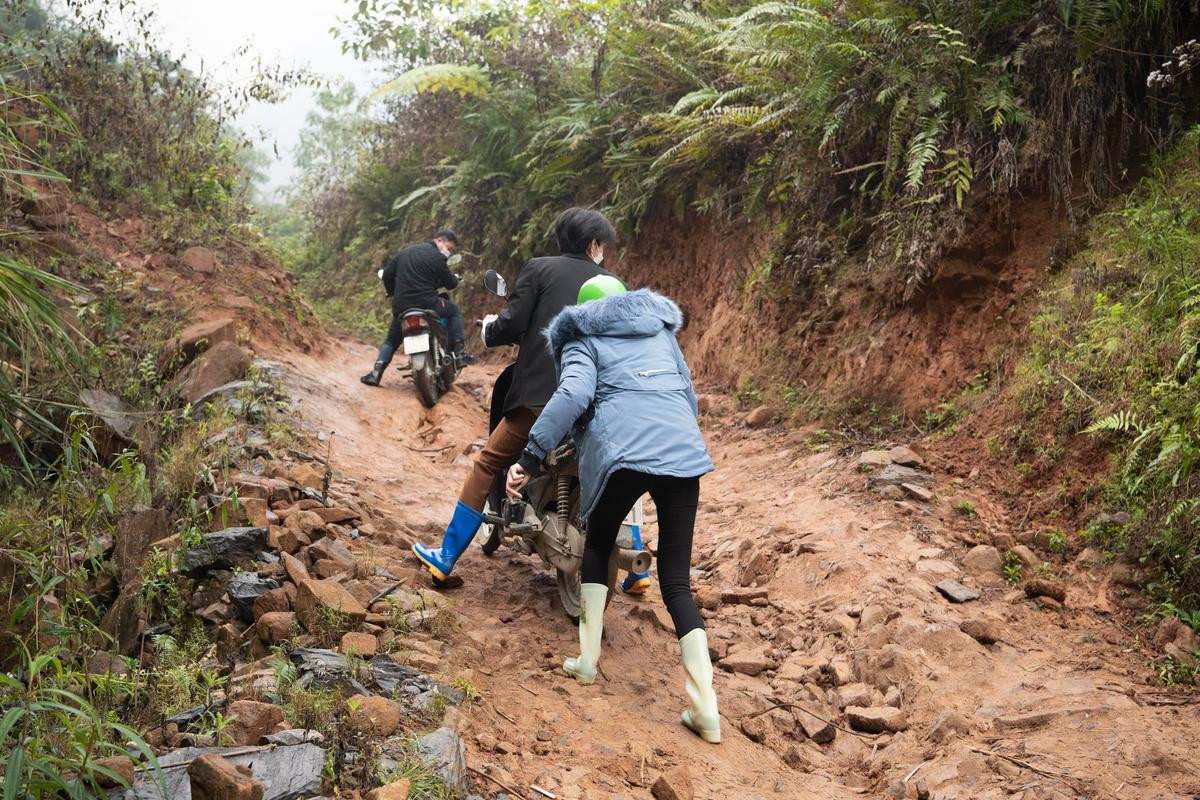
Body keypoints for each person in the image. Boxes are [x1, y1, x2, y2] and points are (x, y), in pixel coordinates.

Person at [505, 276, 720, 744]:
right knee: (678, 583)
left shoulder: (581, 337)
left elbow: (573, 395)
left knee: (599, 544)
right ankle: (706, 709)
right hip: (683, 456)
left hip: (624, 458)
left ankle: (586, 662)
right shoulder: (661, 331)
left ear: (582, 311)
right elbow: (688, 395)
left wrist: (530, 455)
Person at [411, 208, 617, 586]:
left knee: (487, 463)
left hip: (542, 398)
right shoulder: (611, 283)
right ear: (593, 244)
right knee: (619, 474)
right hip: (599, 403)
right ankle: (637, 575)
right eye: (602, 243)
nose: (603, 249)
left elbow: (515, 322)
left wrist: (490, 329)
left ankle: (445, 557)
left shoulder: (540, 268)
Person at [361, 230, 471, 387]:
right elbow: (451, 284)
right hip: (428, 304)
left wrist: (392, 292)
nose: (449, 252)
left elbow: (386, 276)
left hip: (402, 307)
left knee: (391, 341)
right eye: (450, 248)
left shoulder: (403, 253)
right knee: (454, 311)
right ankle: (458, 353)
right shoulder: (437, 257)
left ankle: (376, 373)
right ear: (439, 240)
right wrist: (455, 279)